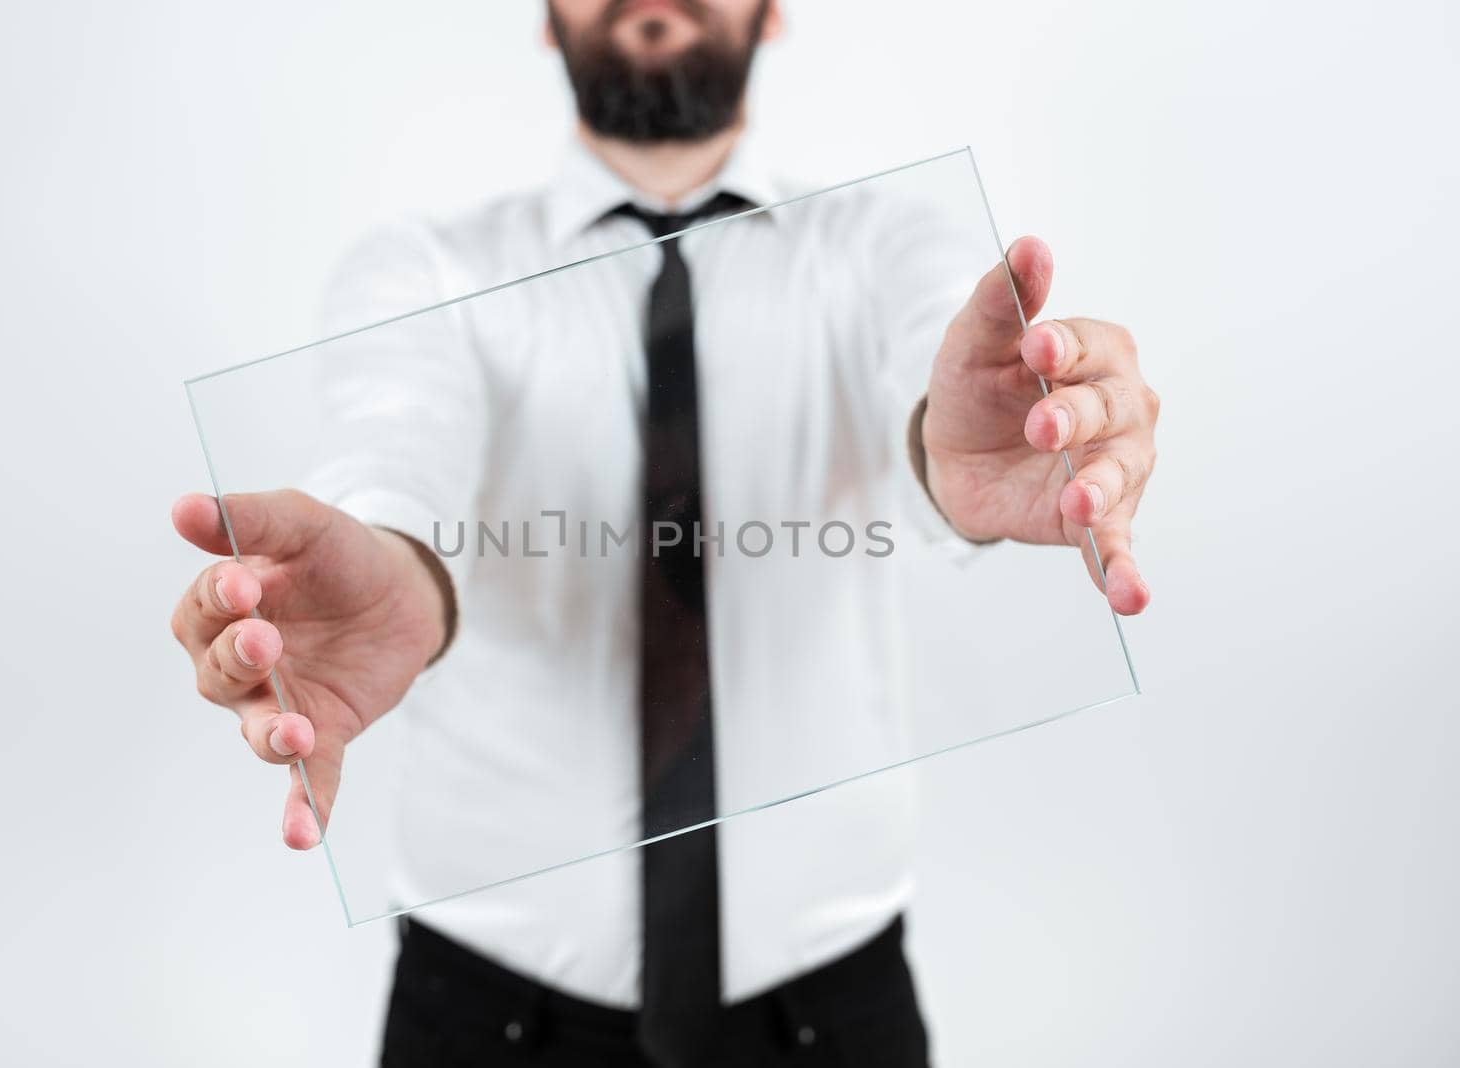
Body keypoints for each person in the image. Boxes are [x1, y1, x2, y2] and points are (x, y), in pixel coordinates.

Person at [169, 1, 1159, 1064]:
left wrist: (970, 436)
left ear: (773, 13)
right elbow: (393, 454)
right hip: (483, 1008)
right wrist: (390, 572)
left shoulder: (886, 244)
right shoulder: (421, 271)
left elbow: (935, 378)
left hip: (834, 1006)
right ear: (545, 20)